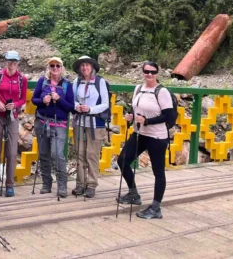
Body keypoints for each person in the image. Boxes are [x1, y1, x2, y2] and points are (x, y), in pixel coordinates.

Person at [117, 61, 174, 219]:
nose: (149, 75)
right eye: (147, 71)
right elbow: (136, 110)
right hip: (139, 133)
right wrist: (131, 117)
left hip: (156, 135)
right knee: (123, 160)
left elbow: (168, 116)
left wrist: (147, 121)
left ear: (157, 73)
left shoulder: (162, 92)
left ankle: (156, 207)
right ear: (142, 72)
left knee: (158, 172)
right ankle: (133, 194)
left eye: (153, 72)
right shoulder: (138, 89)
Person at [31, 57, 75, 197]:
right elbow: (34, 100)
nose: (55, 68)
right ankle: (46, 183)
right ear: (48, 68)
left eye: (57, 65)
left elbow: (70, 107)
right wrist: (43, 101)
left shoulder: (67, 85)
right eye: (52, 66)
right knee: (43, 153)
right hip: (42, 122)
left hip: (59, 124)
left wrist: (59, 99)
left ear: (62, 68)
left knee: (57, 154)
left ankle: (62, 185)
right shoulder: (42, 82)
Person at [0, 50, 28, 197]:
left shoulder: (22, 79)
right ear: (5, 61)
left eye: (15, 61)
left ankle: (10, 184)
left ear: (18, 63)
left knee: (11, 152)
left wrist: (15, 104)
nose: (12, 64)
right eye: (9, 61)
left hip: (13, 116)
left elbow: (23, 98)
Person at [71, 55, 110, 198]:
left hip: (95, 123)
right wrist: (78, 106)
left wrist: (90, 109)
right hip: (79, 122)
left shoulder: (100, 82)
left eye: (87, 65)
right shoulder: (76, 82)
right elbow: (72, 100)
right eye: (82, 65)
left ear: (92, 67)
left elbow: (105, 104)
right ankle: (80, 184)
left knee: (92, 155)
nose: (84, 67)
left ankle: (92, 185)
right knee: (80, 153)